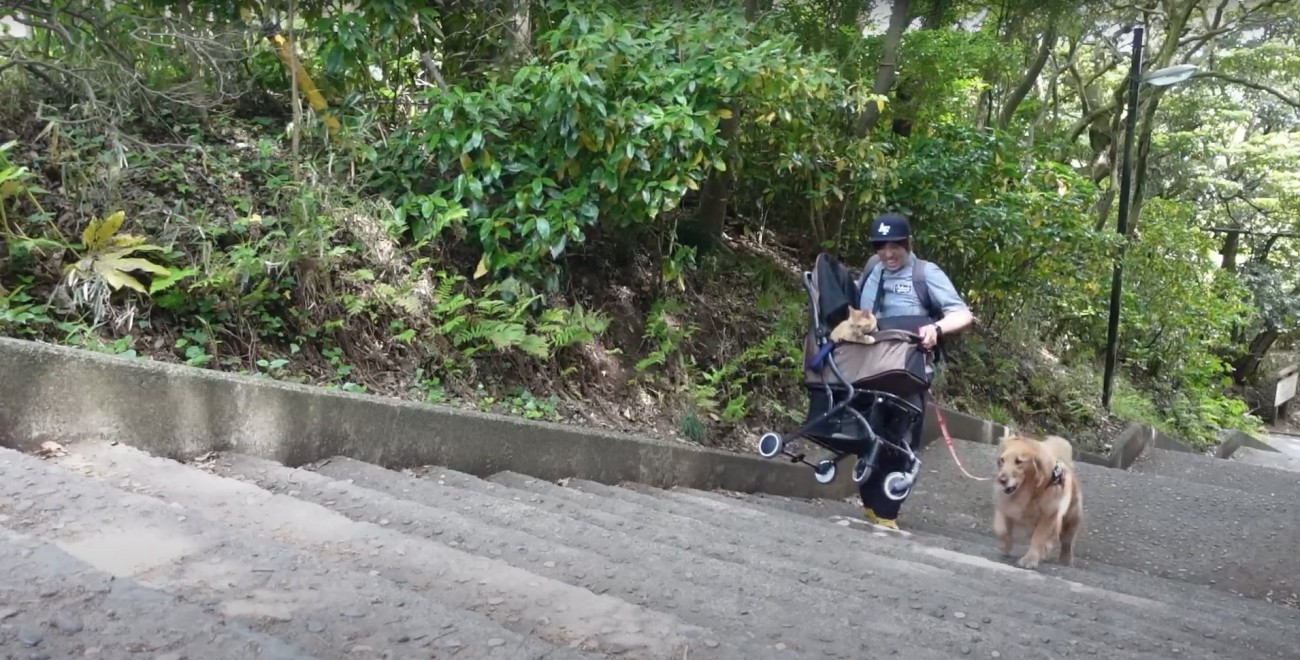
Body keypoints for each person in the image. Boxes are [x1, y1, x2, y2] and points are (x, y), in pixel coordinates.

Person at [854, 212, 974, 531]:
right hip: (872, 362)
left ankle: (888, 511)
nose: (888, 254)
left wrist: (936, 328)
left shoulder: (925, 273)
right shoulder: (872, 270)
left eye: (895, 246)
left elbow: (962, 314)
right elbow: (857, 310)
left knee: (902, 435)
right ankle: (870, 503)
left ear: (908, 244)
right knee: (869, 430)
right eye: (881, 247)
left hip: (909, 365)